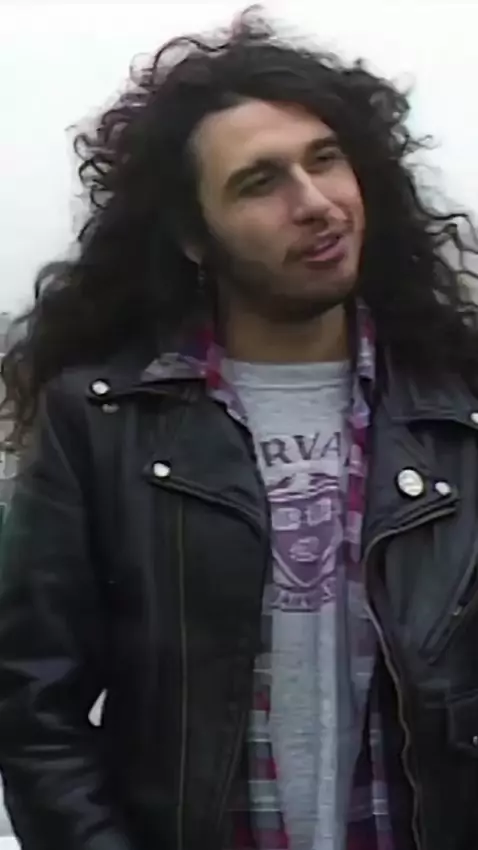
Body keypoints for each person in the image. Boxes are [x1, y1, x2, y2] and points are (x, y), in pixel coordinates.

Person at [1, 8, 478, 850]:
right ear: (195, 238)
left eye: (325, 160)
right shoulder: (104, 424)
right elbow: (34, 709)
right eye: (260, 183)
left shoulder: (457, 409)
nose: (316, 204)